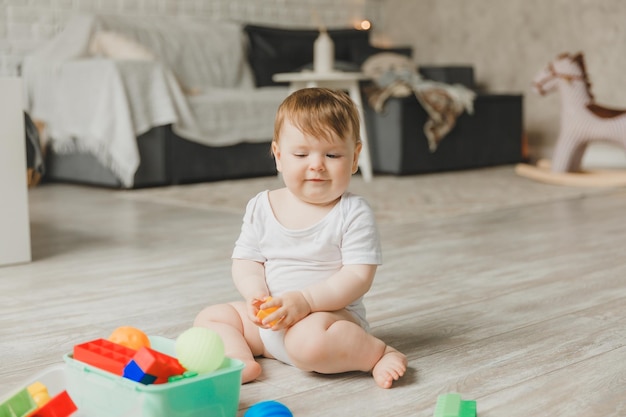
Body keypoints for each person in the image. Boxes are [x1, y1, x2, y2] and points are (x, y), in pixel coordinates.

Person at [194, 87, 407, 389]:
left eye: (332, 154)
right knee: (212, 317)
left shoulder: (352, 212)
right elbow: (247, 260)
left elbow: (358, 276)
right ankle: (240, 360)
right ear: (279, 156)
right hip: (270, 322)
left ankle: (377, 353)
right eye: (301, 154)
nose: (317, 164)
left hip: (325, 320)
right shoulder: (262, 206)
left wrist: (305, 302)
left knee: (308, 344)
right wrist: (255, 294)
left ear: (355, 156)